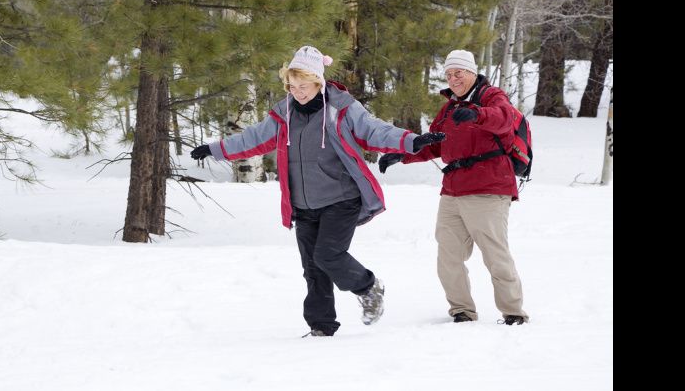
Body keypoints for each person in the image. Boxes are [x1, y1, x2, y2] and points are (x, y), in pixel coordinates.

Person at [191, 45, 446, 337]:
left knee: (328, 255)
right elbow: (253, 139)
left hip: (341, 199)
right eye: (292, 86)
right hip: (304, 204)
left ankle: (368, 286)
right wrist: (215, 149)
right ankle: (321, 327)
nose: (298, 92)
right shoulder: (284, 114)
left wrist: (411, 141)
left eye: (304, 85)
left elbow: (374, 130)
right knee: (312, 268)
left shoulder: (341, 108)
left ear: (318, 81)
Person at [379, 49, 529, 325]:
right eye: (449, 74)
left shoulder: (491, 96)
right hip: (452, 190)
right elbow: (434, 143)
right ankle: (462, 310)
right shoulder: (450, 107)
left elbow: (504, 119)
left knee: (495, 254)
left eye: (458, 73)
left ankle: (513, 312)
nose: (453, 79)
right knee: (448, 255)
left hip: (488, 187)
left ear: (472, 72)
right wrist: (402, 154)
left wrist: (478, 115)